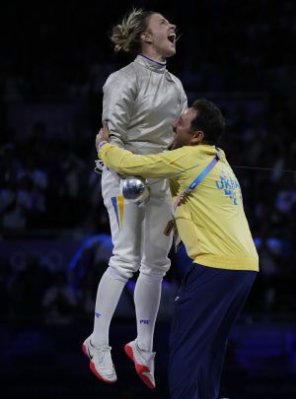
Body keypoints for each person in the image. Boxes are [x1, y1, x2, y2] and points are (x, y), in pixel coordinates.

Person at [95, 98, 259, 399]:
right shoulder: (218, 157)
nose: (174, 124)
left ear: (197, 137)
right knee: (211, 342)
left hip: (215, 267)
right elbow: (195, 196)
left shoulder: (189, 157)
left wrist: (104, 147)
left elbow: (132, 165)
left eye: (180, 123)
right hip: (245, 267)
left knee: (186, 343)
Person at [81, 8, 187, 389]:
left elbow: (179, 141)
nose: (172, 27)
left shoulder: (175, 85)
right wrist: (129, 177)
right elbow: (112, 136)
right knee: (125, 257)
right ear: (145, 36)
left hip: (161, 178)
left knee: (156, 263)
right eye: (163, 24)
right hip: (124, 175)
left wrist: (178, 187)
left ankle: (143, 345)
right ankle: (97, 342)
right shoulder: (122, 79)